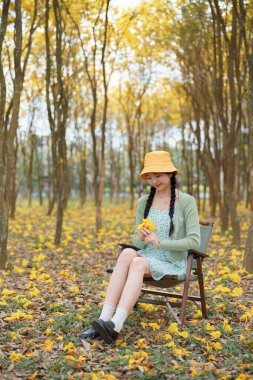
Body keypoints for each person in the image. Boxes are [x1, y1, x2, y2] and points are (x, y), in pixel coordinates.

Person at [80, 150, 200, 344]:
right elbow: (138, 244)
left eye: (158, 175)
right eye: (150, 177)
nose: (154, 181)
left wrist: (161, 243)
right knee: (128, 252)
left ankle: (116, 325)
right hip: (148, 256)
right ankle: (104, 319)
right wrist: (140, 237)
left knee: (136, 263)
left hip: (172, 261)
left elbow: (194, 241)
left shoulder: (186, 201)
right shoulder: (144, 202)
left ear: (170, 174)